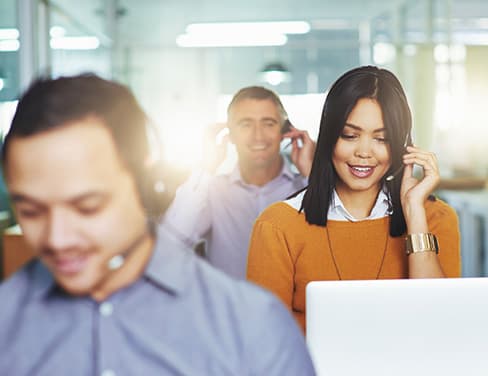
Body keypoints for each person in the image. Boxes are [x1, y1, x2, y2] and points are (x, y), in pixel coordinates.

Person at [0, 74, 315, 375]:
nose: (57, 239)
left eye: (87, 206)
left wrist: (315, 178)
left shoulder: (253, 323)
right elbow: (176, 234)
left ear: (142, 176)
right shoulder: (7, 322)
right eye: (31, 211)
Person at [247, 66, 461, 333]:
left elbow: (440, 325)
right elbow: (265, 341)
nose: (363, 152)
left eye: (381, 139)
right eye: (350, 135)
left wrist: (414, 215)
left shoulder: (435, 217)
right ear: (329, 137)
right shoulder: (277, 226)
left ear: (401, 145)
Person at [161, 86, 316, 279]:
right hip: (227, 309)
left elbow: (332, 244)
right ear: (230, 135)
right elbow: (170, 243)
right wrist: (205, 168)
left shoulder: (305, 189)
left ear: (285, 132)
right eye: (245, 124)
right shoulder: (211, 191)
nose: (258, 136)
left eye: (268, 123)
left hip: (289, 309)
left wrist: (314, 173)